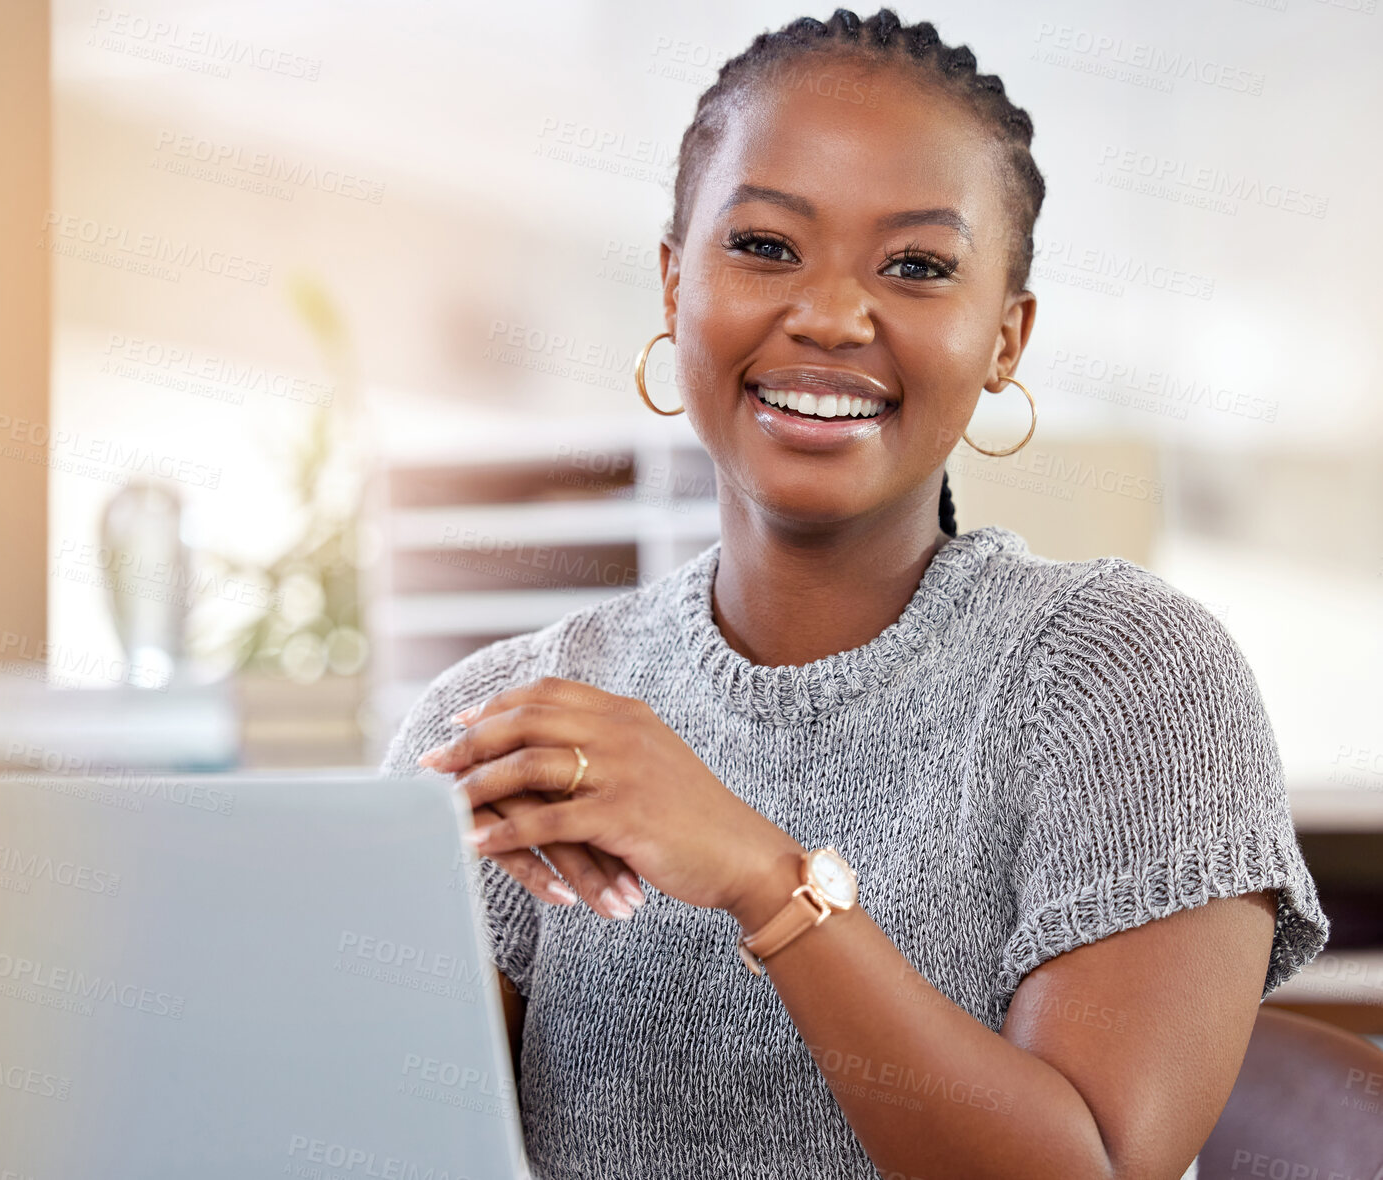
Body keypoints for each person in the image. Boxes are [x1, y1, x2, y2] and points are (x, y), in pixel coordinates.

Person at [378, 10, 1328, 1178]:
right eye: (765, 246)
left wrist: (761, 878)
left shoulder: (1123, 678)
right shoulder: (502, 722)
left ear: (1004, 340)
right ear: (675, 286)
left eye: (917, 267)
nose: (828, 317)